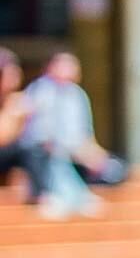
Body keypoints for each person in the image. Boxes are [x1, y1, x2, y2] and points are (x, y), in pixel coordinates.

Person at [22, 51, 124, 219]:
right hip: (48, 151)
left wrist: (94, 154)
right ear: (51, 67)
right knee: (53, 160)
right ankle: (65, 197)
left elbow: (86, 133)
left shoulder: (78, 94)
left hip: (77, 152)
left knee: (117, 167)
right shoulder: (40, 90)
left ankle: (79, 193)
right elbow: (39, 132)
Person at [0, 47, 45, 201]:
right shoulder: (16, 105)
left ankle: (39, 197)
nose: (15, 78)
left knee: (33, 149)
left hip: (10, 158)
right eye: (9, 74)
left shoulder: (21, 101)